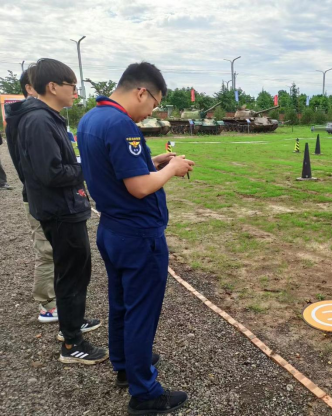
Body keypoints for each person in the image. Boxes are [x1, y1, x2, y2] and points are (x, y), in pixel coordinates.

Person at [78, 62, 194, 415]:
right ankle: (145, 393)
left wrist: (153, 159)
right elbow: (140, 187)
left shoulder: (91, 119)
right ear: (141, 92)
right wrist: (171, 169)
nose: (151, 112)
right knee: (142, 312)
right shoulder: (121, 124)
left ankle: (125, 364)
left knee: (122, 304)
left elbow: (113, 168)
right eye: (154, 104)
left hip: (112, 229)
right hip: (138, 235)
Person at [16, 58, 107, 364]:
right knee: (72, 273)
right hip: (60, 210)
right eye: (72, 86)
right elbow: (51, 173)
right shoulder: (39, 121)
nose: (75, 92)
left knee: (75, 270)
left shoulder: (47, 117)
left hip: (64, 206)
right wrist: (87, 167)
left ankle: (72, 322)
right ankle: (72, 344)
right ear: (53, 87)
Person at [5, 68, 58, 323]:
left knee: (52, 248)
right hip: (39, 196)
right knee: (46, 250)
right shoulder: (32, 119)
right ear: (29, 87)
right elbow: (45, 168)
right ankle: (47, 305)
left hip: (41, 194)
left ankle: (55, 297)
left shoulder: (29, 116)